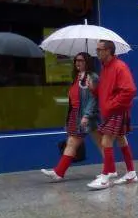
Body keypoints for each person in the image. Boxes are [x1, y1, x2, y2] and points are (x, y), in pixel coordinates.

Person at [41, 52, 101, 180]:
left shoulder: (92, 77)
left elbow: (94, 98)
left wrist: (86, 115)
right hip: (76, 114)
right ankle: (59, 172)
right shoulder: (78, 76)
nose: (77, 63)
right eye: (76, 60)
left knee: (101, 143)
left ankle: (110, 170)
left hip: (87, 116)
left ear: (87, 62)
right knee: (73, 142)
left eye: (81, 60)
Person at [88, 39, 138, 190]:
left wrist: (111, 105)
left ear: (108, 51)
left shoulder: (119, 67)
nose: (97, 52)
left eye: (99, 49)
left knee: (106, 141)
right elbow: (104, 91)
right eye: (97, 49)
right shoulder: (105, 68)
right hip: (112, 111)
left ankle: (105, 178)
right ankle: (131, 173)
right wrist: (93, 88)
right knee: (121, 140)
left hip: (116, 110)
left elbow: (130, 90)